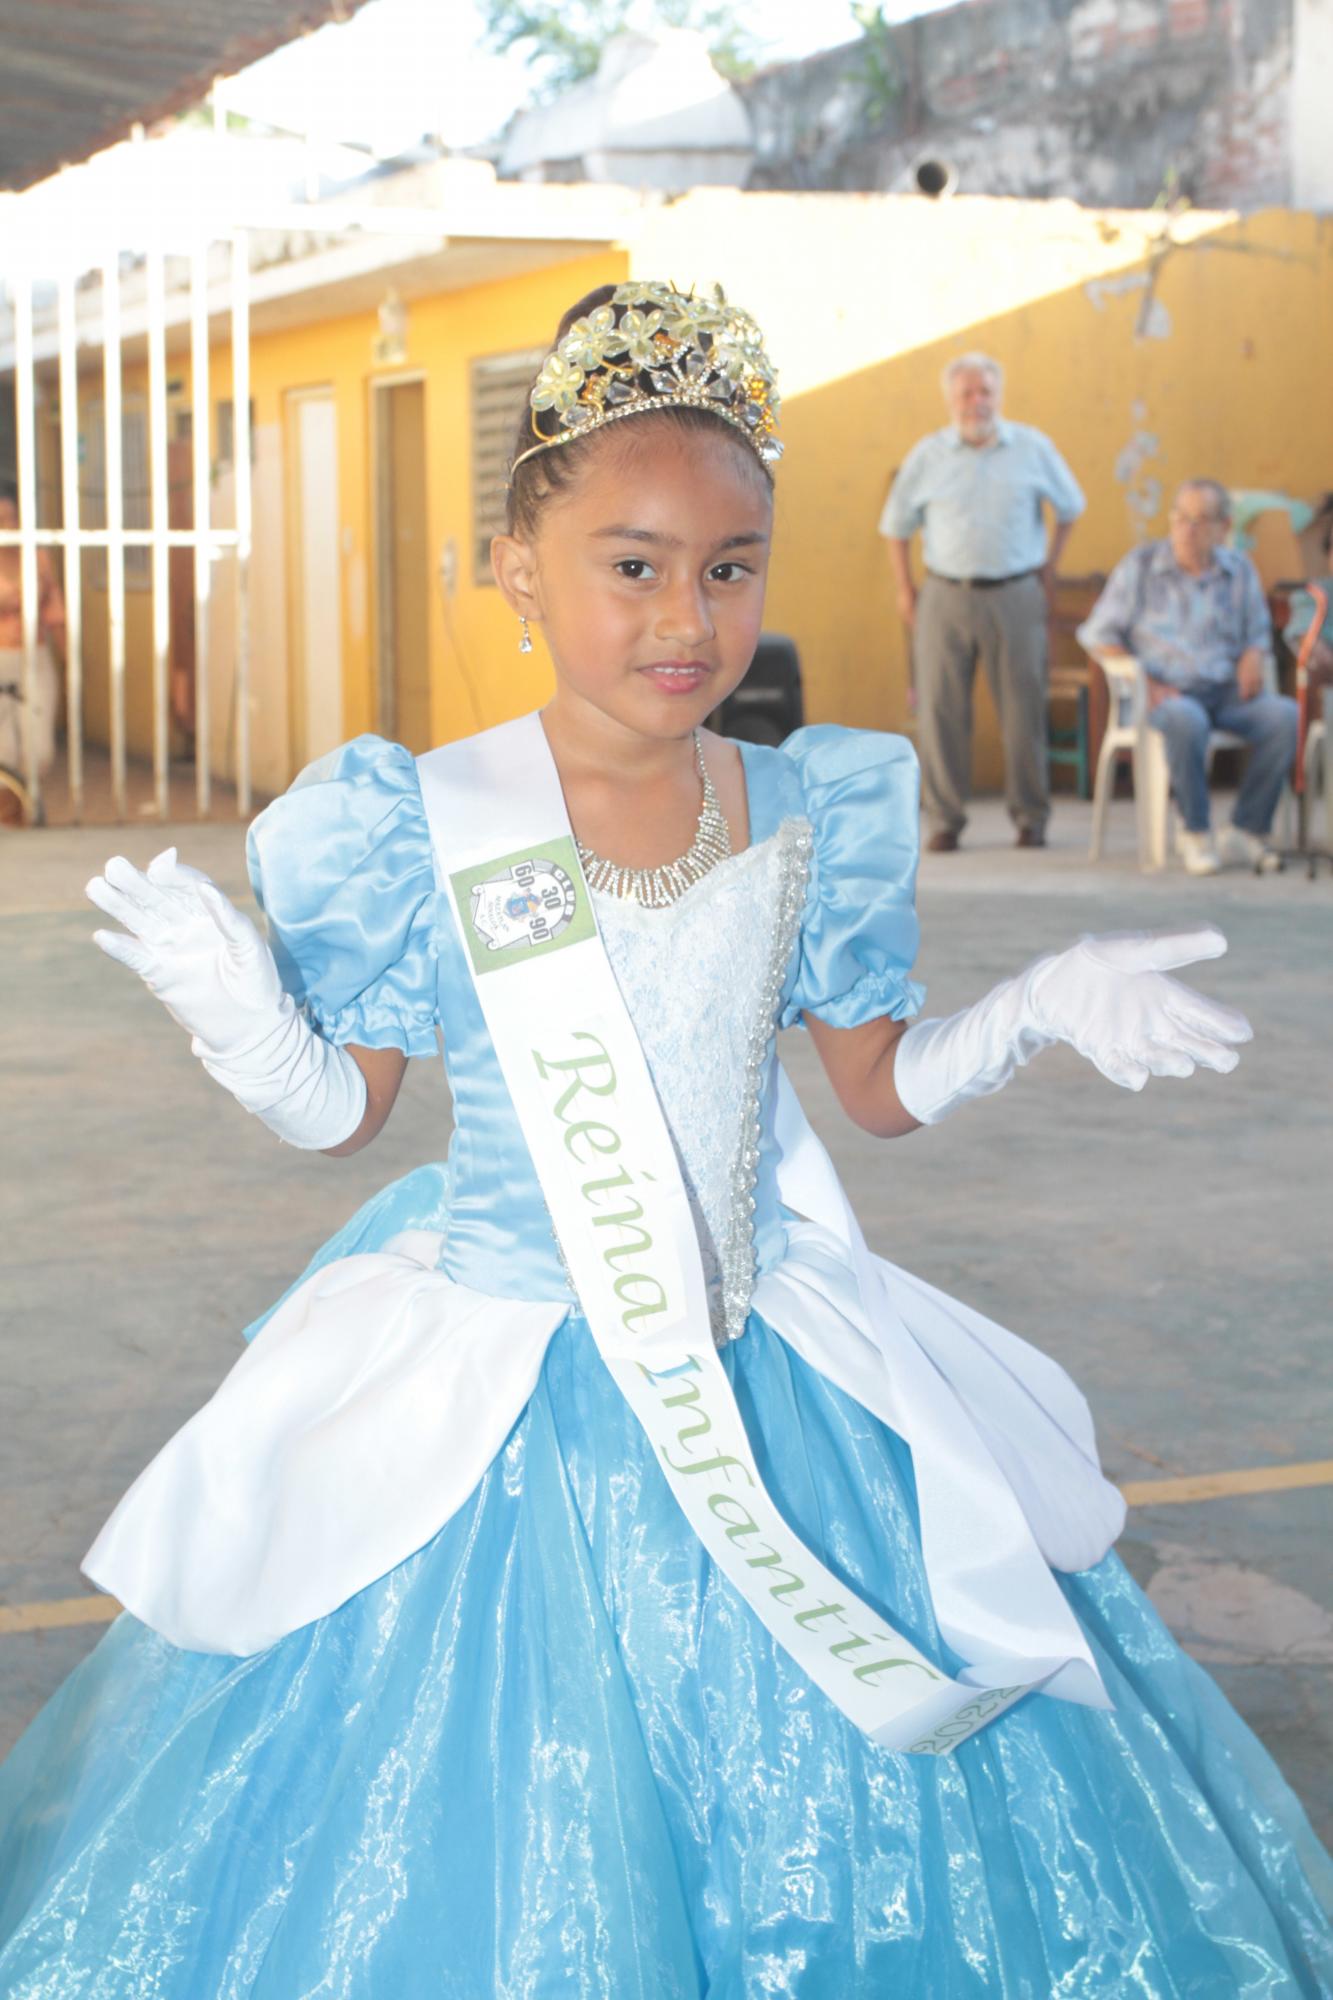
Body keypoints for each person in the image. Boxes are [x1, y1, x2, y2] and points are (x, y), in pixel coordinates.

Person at [1, 282, 1329, 1998]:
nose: (683, 617)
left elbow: (870, 1087)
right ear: (516, 567)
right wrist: (244, 1014)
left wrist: (1032, 1011)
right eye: (631, 564)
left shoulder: (808, 803)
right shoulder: (420, 823)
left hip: (763, 1353)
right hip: (501, 1381)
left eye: (729, 565)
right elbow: (343, 1113)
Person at [880, 353, 1085, 852]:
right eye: (967, 393)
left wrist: (1049, 565)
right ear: (951, 400)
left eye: (985, 392)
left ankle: (1030, 816)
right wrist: (906, 589)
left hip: (1016, 593)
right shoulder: (928, 455)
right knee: (941, 711)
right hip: (945, 594)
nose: (977, 402)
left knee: (1023, 711)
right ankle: (945, 820)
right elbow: (895, 526)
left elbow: (1071, 506)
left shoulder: (1031, 447)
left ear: (998, 395)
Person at [1081, 479, 1299, 876]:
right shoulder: (1142, 566)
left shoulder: (1239, 570)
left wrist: (1254, 652)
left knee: (1285, 715)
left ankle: (1246, 827)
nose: (1188, 528)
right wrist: (1147, 680)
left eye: (1200, 520)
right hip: (1167, 694)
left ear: (1223, 527)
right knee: (1187, 719)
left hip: (1228, 691)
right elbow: (1097, 635)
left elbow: (1257, 629)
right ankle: (1195, 832)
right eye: (1181, 517)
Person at [0, 479, 65, 822]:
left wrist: (72, 661)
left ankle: (28, 803)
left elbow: (55, 610)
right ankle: (12, 817)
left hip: (34, 656)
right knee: (3, 751)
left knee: (39, 749)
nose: (6, 526)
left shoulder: (36, 557)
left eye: (11, 517)